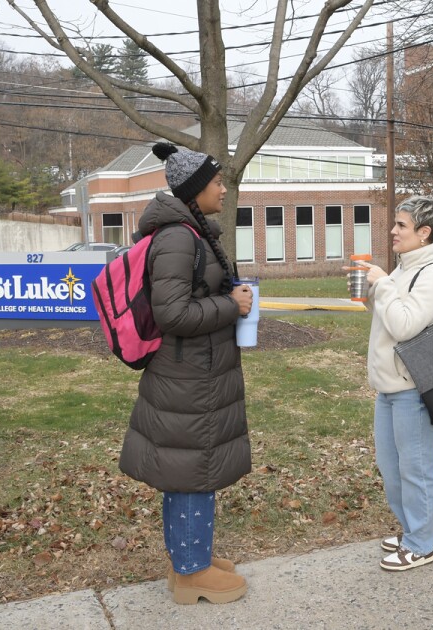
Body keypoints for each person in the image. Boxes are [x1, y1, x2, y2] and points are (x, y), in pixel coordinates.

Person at [117, 142, 255, 605]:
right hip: (189, 377)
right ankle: (192, 572)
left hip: (196, 374)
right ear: (196, 191)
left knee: (192, 468)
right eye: (218, 182)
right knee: (193, 469)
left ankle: (188, 559)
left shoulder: (192, 232)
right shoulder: (179, 237)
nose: (224, 188)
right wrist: (230, 305)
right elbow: (173, 313)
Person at [349, 196, 433, 571]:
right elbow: (388, 319)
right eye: (394, 224)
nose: (393, 230)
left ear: (424, 233)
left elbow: (406, 326)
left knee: (416, 468)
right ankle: (413, 529)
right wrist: (371, 291)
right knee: (391, 468)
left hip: (414, 389)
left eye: (402, 225)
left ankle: (423, 543)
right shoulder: (402, 270)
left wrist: (384, 285)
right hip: (388, 387)